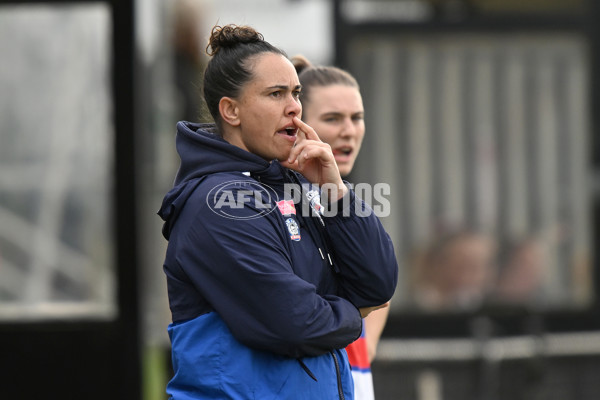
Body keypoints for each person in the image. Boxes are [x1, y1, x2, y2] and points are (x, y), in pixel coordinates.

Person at [158, 24, 398, 399]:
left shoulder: (295, 184)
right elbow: (296, 322)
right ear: (231, 110)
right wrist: (355, 311)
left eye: (296, 93)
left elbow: (378, 285)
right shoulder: (220, 203)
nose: (294, 107)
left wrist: (335, 193)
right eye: (276, 94)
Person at [292, 54, 390, 400]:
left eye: (357, 117)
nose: (349, 130)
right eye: (333, 118)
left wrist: (364, 350)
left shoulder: (347, 197)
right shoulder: (283, 201)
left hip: (352, 376)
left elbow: (379, 288)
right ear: (299, 124)